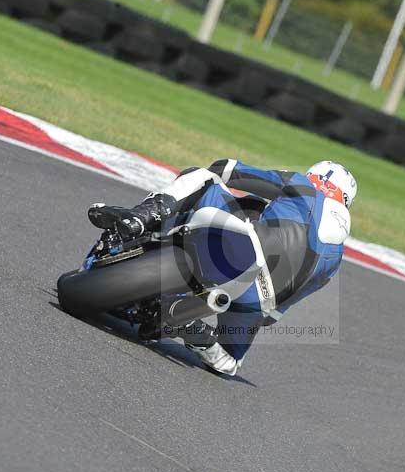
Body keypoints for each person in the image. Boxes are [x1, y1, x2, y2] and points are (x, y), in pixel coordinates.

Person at [88, 159, 357, 376]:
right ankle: (198, 334)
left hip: (246, 251)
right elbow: (276, 313)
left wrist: (224, 173)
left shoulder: (300, 183)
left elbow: (229, 170)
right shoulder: (335, 259)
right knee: (229, 362)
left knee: (203, 177)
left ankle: (140, 218)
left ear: (316, 178)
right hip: (259, 304)